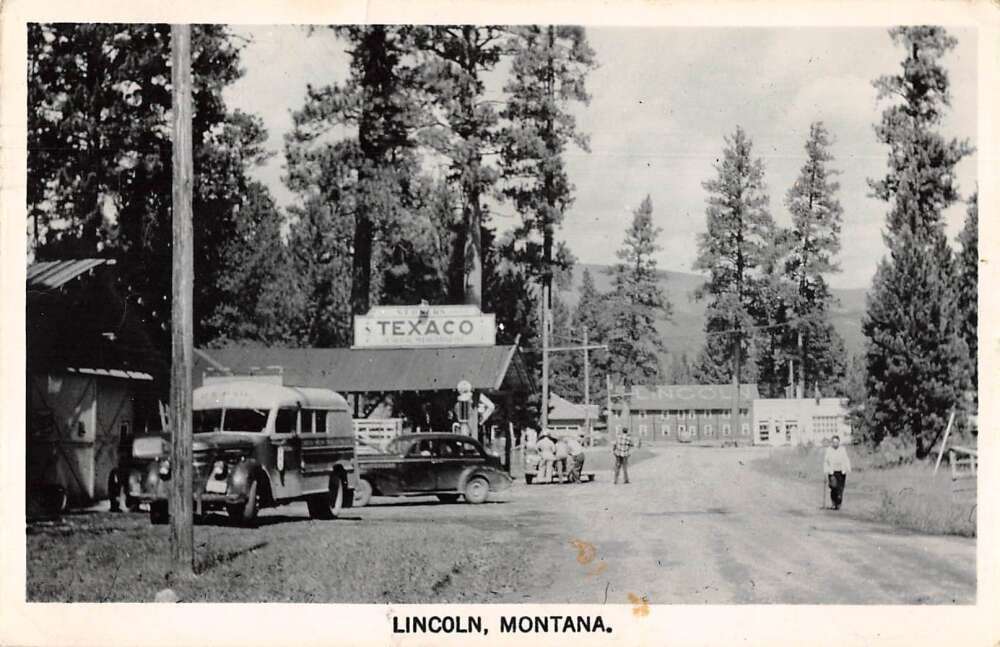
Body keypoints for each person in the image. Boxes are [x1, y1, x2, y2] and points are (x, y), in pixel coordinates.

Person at [823, 435, 851, 509]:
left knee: (840, 488)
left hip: (841, 472)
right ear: (832, 442)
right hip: (832, 471)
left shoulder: (842, 449)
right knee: (834, 486)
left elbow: (846, 459)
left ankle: (838, 503)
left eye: (837, 442)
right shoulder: (829, 449)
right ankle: (833, 503)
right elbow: (826, 461)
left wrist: (848, 468)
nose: (835, 443)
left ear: (839, 442)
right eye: (834, 442)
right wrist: (825, 470)